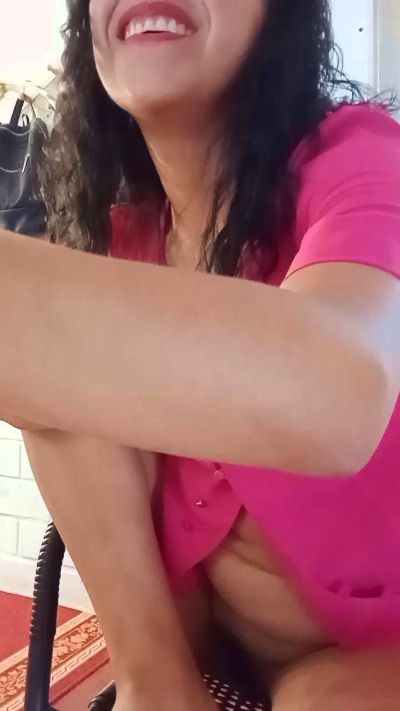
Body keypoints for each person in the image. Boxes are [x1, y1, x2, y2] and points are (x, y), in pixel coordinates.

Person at [1, 0, 400, 709]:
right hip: (193, 655)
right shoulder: (119, 242)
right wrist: (154, 674)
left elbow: (341, 389)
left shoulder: (362, 158)